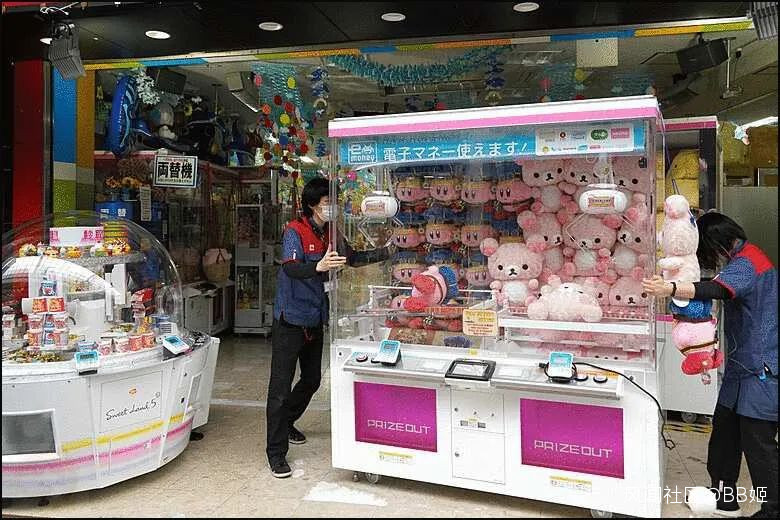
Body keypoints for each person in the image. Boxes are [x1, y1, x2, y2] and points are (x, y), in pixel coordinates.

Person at [643, 212, 777, 518]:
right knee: (724, 436)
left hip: (762, 368)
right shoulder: (738, 261)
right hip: (740, 367)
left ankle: (773, 509)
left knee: (759, 444)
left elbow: (717, 289)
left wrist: (671, 289)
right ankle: (724, 498)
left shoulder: (750, 260)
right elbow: (712, 283)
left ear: (714, 241)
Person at [265, 177, 346, 478]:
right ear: (313, 204)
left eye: (334, 202)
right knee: (280, 389)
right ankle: (276, 453)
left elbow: (351, 256)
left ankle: (287, 422)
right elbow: (290, 268)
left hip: (315, 317)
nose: (332, 207)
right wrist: (318, 266)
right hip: (290, 319)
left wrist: (386, 252)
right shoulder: (294, 231)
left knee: (312, 379)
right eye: (327, 202)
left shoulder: (332, 232)